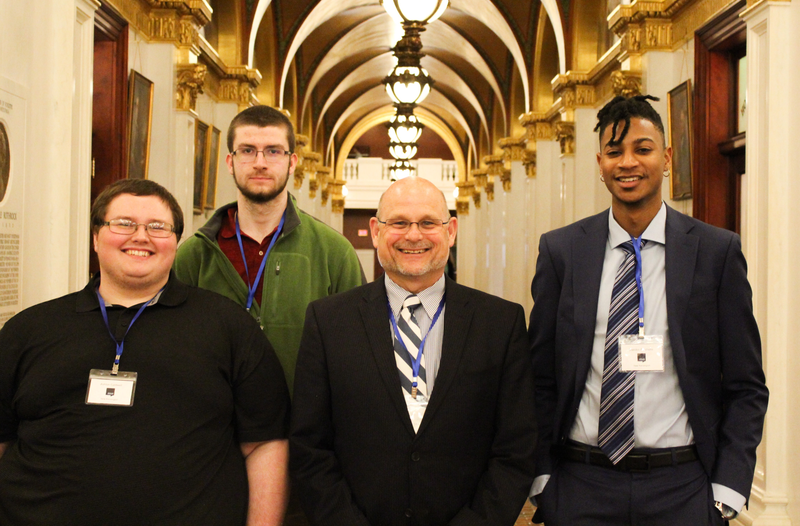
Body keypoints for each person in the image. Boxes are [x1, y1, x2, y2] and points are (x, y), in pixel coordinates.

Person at [528, 96, 768, 525]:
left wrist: (726, 494)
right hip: (582, 485)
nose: (628, 163)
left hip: (682, 489)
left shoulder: (716, 253)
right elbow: (540, 375)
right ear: (600, 161)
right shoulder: (562, 251)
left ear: (667, 157)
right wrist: (545, 480)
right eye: (615, 152)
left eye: (642, 148)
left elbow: (746, 384)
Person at [0, 179, 290, 526]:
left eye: (158, 227)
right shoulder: (29, 329)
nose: (140, 236)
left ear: (176, 242)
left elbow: (265, 445)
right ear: (95, 237)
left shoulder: (229, 327)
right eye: (123, 223)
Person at [290, 176, 537, 526]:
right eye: (400, 223)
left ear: (450, 231)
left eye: (427, 223)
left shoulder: (500, 323)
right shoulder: (328, 321)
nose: (414, 235)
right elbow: (309, 447)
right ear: (376, 230)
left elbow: (516, 448)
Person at [174, 105, 364, 391]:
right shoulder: (195, 254)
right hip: (214, 424)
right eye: (247, 150)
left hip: (302, 426)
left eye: (274, 151)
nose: (260, 162)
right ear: (230, 162)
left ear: (292, 162)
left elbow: (355, 351)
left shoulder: (334, 252)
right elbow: (175, 347)